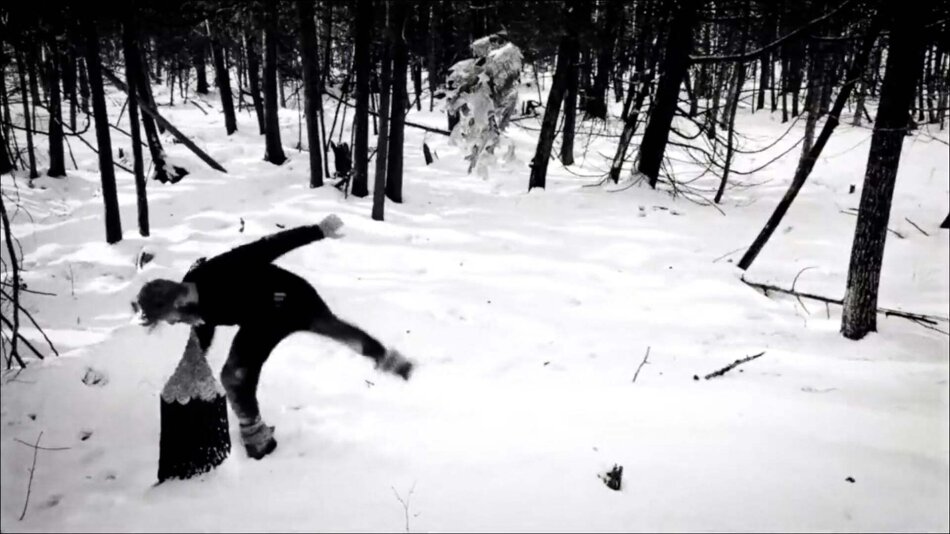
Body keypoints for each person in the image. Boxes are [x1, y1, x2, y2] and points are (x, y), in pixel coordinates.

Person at [132, 215, 413, 459]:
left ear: (178, 302)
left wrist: (317, 231)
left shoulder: (216, 273)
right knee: (234, 376)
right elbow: (203, 332)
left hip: (292, 299)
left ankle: (388, 359)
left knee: (334, 328)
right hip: (260, 322)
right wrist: (192, 366)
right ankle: (258, 438)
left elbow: (265, 247)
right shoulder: (193, 308)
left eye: (168, 317)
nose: (171, 323)